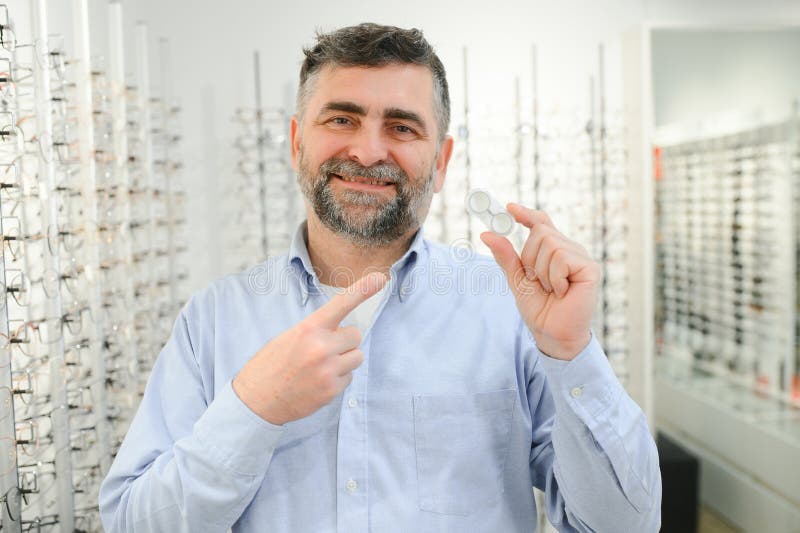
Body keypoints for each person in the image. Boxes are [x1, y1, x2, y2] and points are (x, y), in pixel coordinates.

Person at [99, 22, 661, 532]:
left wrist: (570, 351)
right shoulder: (213, 320)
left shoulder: (511, 312)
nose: (368, 152)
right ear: (298, 142)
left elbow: (625, 526)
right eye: (341, 119)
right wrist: (252, 408)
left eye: (401, 127)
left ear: (440, 162)